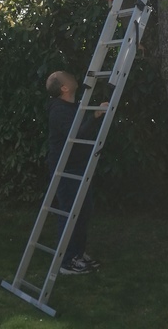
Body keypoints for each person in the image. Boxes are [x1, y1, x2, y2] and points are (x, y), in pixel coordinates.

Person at [46, 70, 108, 275]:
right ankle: (67, 261)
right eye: (67, 77)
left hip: (79, 165)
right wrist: (96, 115)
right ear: (64, 88)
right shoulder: (58, 110)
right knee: (71, 211)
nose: (73, 78)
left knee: (83, 211)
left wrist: (94, 115)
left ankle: (77, 253)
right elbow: (76, 135)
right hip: (65, 168)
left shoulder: (73, 106)